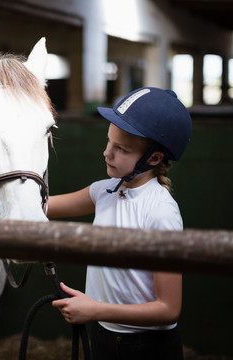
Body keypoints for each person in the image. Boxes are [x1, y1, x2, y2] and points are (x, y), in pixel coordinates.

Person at [49, 87, 192, 360]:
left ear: (154, 158)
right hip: (103, 334)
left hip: (147, 346)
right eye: (108, 142)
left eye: (120, 149)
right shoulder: (104, 191)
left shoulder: (160, 211)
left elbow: (168, 308)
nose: (106, 153)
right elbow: (42, 208)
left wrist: (95, 310)